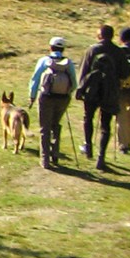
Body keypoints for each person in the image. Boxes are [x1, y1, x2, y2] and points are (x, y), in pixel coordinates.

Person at [77, 24, 129, 170]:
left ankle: (88, 147)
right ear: (112, 36)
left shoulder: (91, 50)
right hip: (110, 92)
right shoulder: (118, 52)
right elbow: (125, 73)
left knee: (88, 118)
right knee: (105, 125)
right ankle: (101, 157)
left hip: (92, 90)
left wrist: (80, 89)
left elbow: (83, 71)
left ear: (99, 36)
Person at [28, 37, 79, 170]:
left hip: (46, 97)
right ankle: (55, 154)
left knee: (44, 128)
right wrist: (67, 93)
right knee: (55, 124)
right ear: (63, 49)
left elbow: (35, 79)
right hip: (62, 98)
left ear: (50, 47)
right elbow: (74, 83)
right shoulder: (68, 63)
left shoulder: (45, 61)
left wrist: (32, 97)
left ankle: (45, 159)